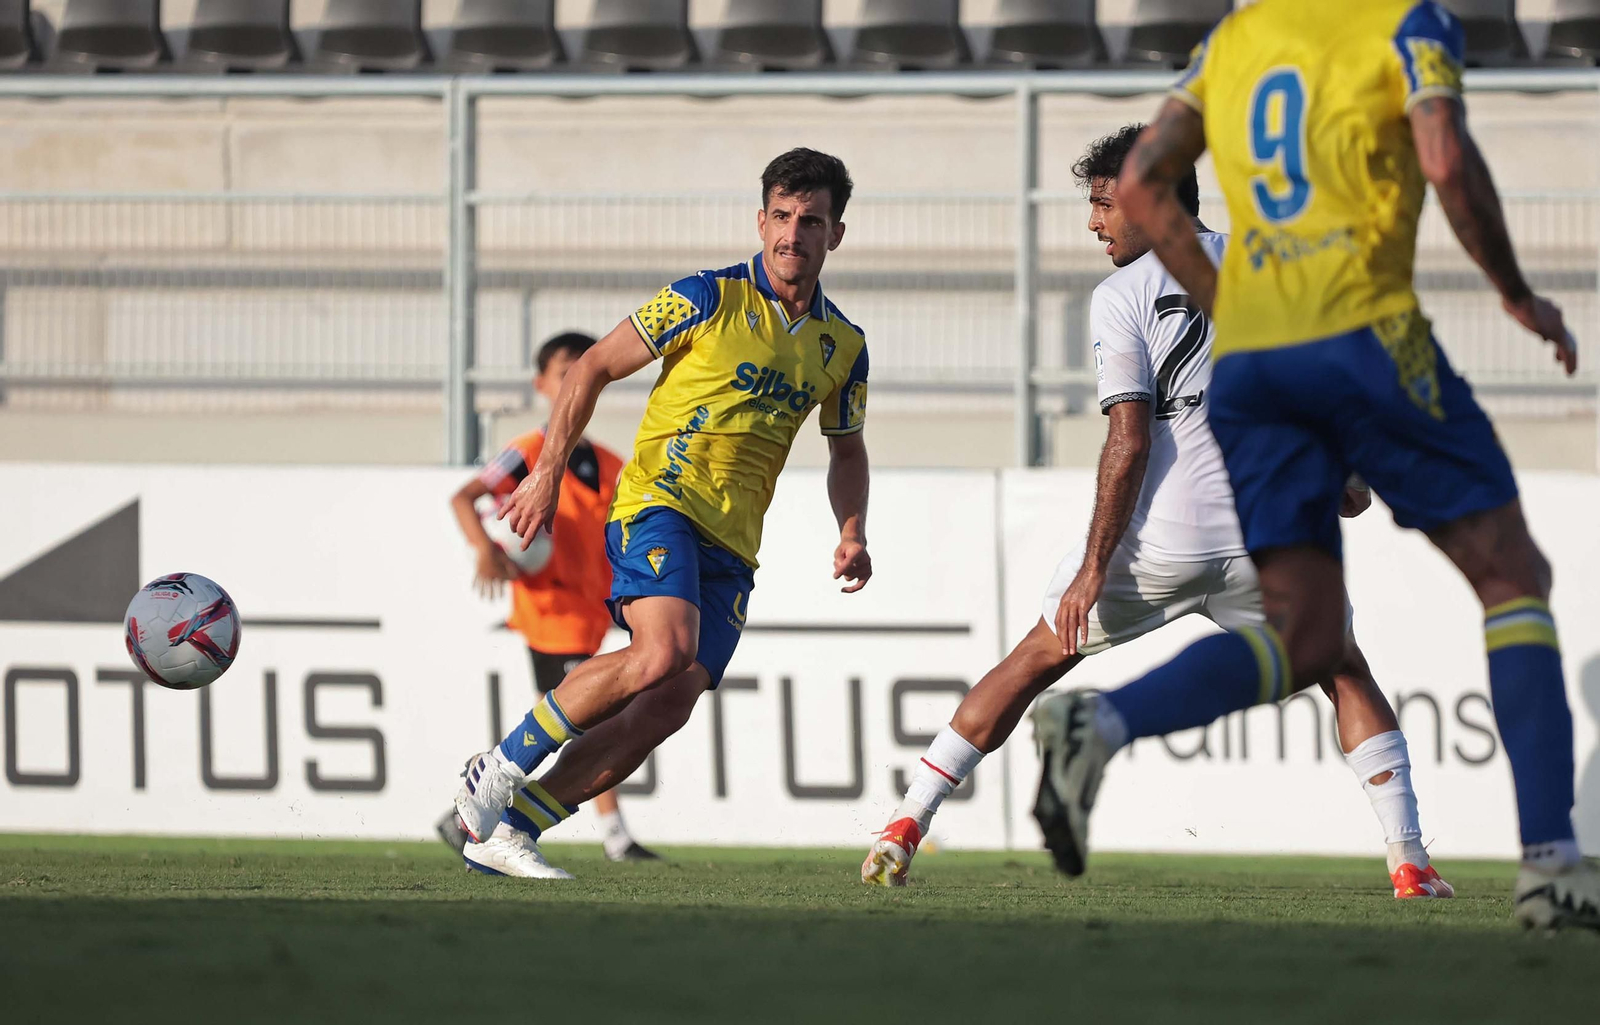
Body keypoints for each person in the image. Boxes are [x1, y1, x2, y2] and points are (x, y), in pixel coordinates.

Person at [1030, 0, 1598, 931]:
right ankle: (1551, 863)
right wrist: (1516, 292)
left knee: (1306, 636)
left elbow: (1139, 182)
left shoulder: (1235, 40)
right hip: (1367, 334)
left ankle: (1108, 722)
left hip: (1255, 366)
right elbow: (1446, 159)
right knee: (1511, 574)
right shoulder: (1410, 24)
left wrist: (1231, 306)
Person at [862, 125, 1450, 899]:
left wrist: (1095, 567)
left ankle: (905, 825)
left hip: (1159, 545)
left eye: (1106, 204)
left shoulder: (1123, 294)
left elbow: (1129, 439)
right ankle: (1409, 860)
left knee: (1035, 661)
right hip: (1265, 538)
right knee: (1342, 667)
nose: (1094, 222)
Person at [450, 148, 873, 879]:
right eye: (780, 216)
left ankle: (514, 828)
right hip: (660, 502)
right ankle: (498, 765)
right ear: (760, 218)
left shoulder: (845, 347)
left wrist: (852, 529)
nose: (791, 234)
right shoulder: (704, 295)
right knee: (660, 650)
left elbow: (846, 451)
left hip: (733, 542)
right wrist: (547, 472)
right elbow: (593, 367)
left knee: (668, 702)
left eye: (810, 221)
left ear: (835, 233)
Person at [435, 332, 660, 864]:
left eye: (582, 370)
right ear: (541, 384)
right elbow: (465, 498)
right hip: (549, 615)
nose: (572, 382)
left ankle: (474, 803)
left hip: (589, 614)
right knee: (595, 719)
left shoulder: (609, 463)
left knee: (566, 720)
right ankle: (615, 836)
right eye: (563, 372)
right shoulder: (529, 452)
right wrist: (486, 550)